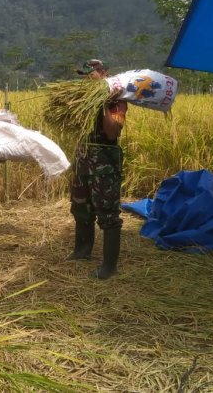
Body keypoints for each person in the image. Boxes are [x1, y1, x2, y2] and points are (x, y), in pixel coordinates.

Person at [67, 59, 127, 279]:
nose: (86, 77)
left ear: (103, 73)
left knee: (107, 211)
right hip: (83, 158)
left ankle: (109, 266)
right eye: (84, 74)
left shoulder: (117, 101)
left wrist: (102, 103)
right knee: (80, 206)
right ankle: (82, 250)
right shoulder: (80, 100)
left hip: (104, 162)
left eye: (90, 73)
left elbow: (112, 132)